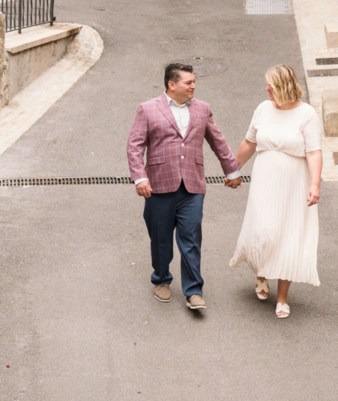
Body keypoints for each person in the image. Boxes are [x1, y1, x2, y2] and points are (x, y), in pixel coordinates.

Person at [127, 61, 241, 311]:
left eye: (193, 81)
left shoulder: (202, 109)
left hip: (192, 185)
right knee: (161, 239)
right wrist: (139, 177)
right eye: (188, 82)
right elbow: (135, 145)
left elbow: (217, 141)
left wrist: (231, 170)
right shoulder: (147, 109)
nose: (193, 86)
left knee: (190, 239)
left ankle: (193, 290)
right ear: (172, 84)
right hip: (157, 185)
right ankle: (161, 279)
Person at [229, 64, 322, 318]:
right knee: (264, 230)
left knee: (287, 235)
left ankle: (282, 298)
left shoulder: (307, 114)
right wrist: (233, 169)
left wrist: (314, 184)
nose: (266, 88)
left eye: (270, 84)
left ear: (282, 86)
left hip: (294, 182)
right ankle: (261, 272)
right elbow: (249, 142)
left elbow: (313, 151)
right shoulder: (262, 108)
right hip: (265, 179)